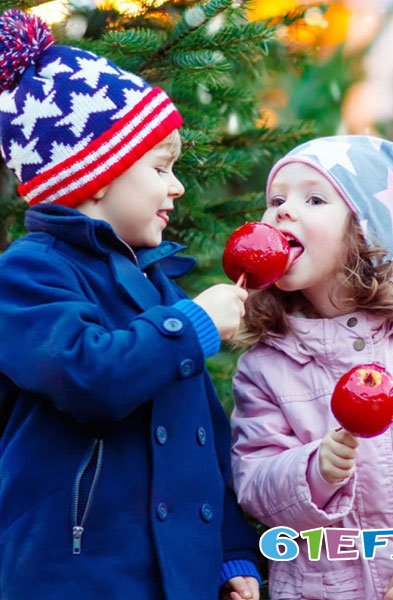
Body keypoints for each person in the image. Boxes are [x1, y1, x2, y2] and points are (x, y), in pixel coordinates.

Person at [0, 9, 261, 600]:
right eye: (161, 168)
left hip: (176, 579)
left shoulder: (159, 287)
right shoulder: (29, 273)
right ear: (94, 177)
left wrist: (230, 551)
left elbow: (202, 434)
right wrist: (194, 324)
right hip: (74, 575)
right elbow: (88, 376)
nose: (178, 187)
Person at [230, 135, 393, 600]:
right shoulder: (266, 366)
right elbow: (255, 486)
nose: (283, 211)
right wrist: (315, 471)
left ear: (368, 232)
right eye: (276, 199)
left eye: (313, 198)